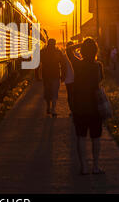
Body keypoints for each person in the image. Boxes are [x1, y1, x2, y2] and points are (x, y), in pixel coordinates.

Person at [66, 38, 104, 175]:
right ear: (95, 51)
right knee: (96, 137)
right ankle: (96, 166)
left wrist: (81, 44)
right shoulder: (98, 66)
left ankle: (84, 167)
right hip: (95, 107)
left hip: (80, 106)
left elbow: (68, 50)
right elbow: (100, 81)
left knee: (81, 137)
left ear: (81, 51)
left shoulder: (77, 65)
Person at [41, 39, 66, 118]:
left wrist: (37, 75)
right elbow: (63, 64)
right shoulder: (58, 52)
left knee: (48, 91)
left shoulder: (43, 52)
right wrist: (63, 76)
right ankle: (53, 109)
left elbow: (38, 63)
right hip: (55, 75)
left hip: (46, 75)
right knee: (54, 93)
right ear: (55, 44)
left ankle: (49, 107)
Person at [64, 42, 75, 114]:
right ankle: (75, 109)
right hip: (76, 79)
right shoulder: (78, 55)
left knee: (70, 95)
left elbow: (62, 67)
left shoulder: (64, 56)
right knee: (75, 95)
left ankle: (72, 110)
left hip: (68, 79)